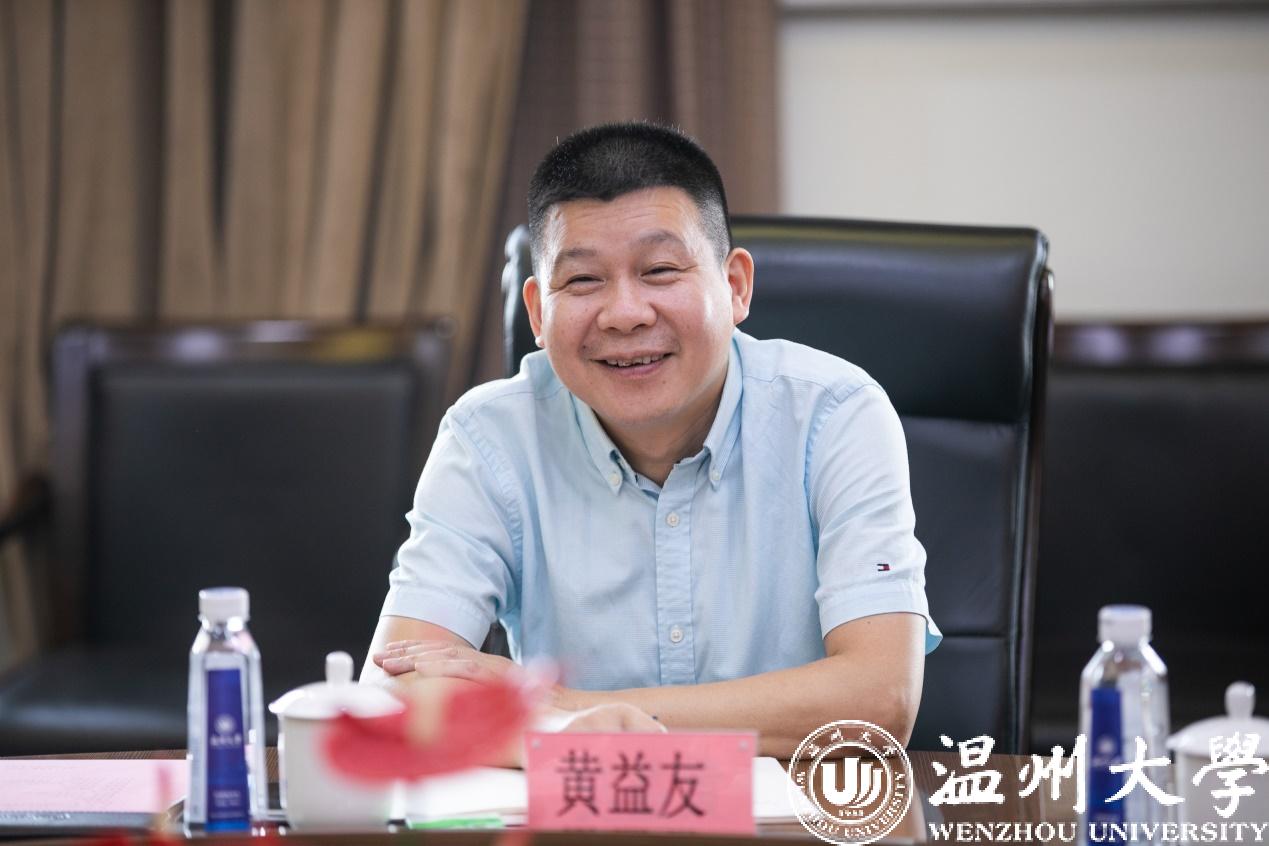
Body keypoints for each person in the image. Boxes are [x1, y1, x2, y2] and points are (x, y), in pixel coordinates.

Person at [360, 122, 940, 756]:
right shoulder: (489, 436)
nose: (625, 314)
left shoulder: (836, 416)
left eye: (660, 270)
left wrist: (561, 710)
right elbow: (393, 693)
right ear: (537, 312)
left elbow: (879, 700)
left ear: (735, 286)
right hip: (577, 809)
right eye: (583, 280)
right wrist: (576, 730)